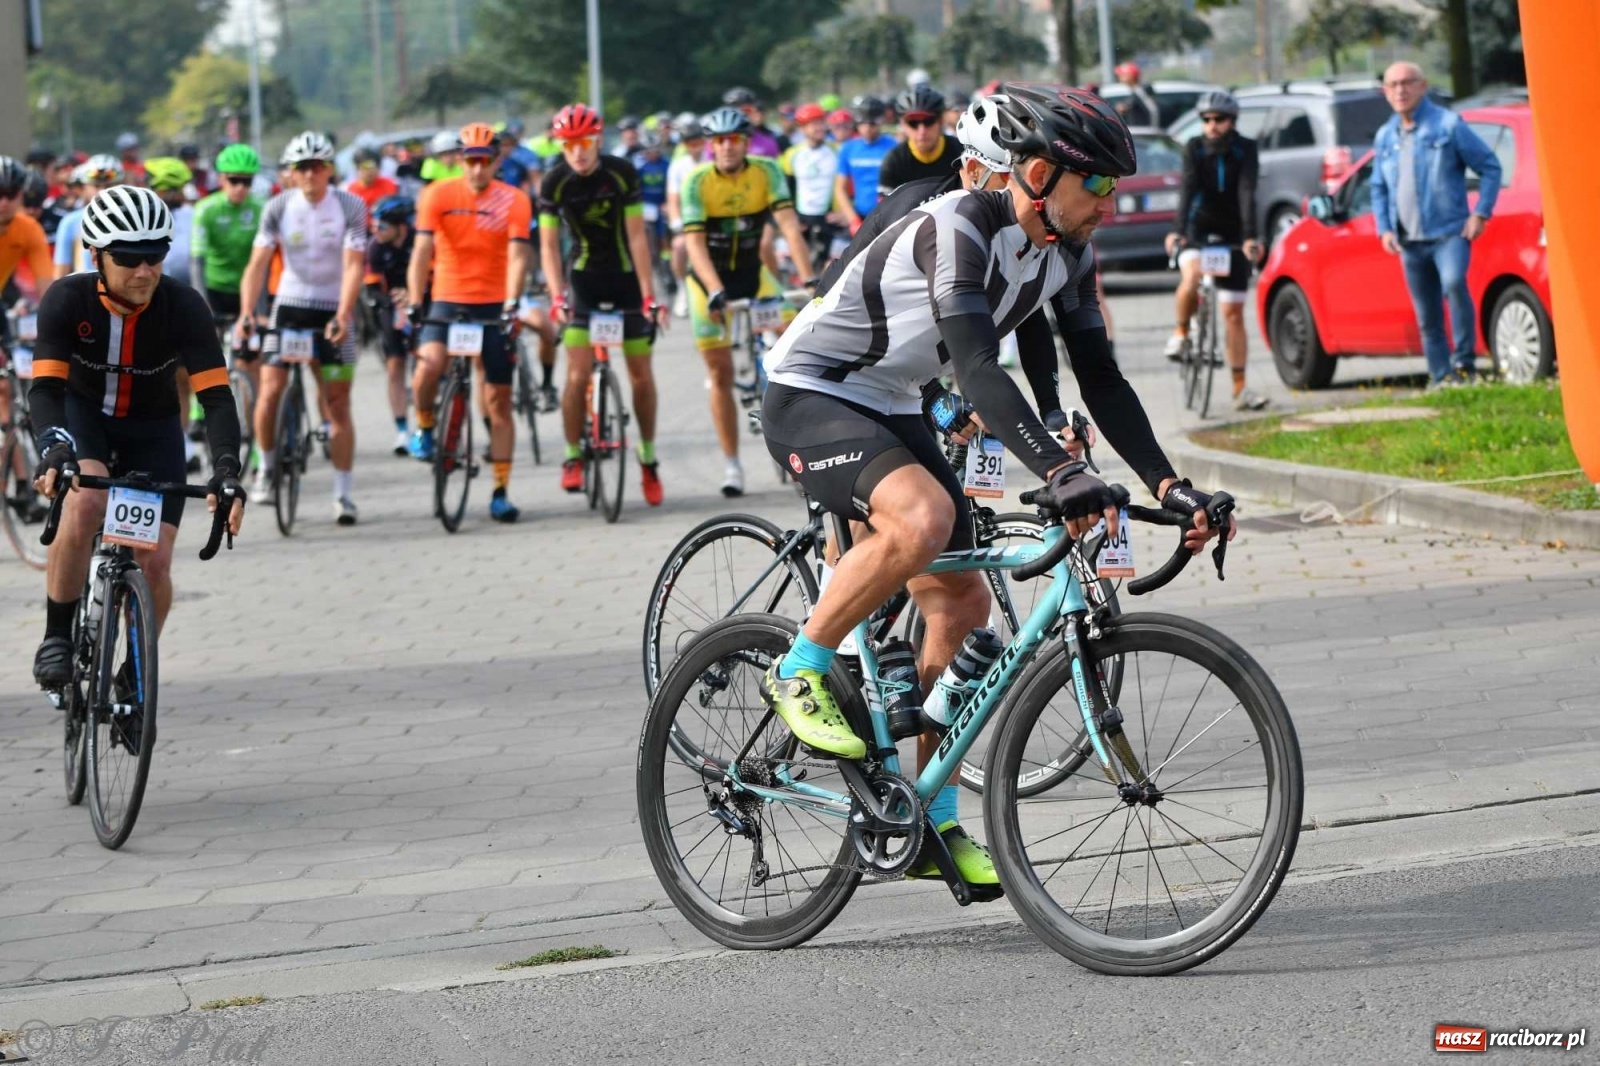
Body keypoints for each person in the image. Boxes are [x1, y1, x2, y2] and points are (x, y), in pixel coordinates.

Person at [758, 85, 1233, 894]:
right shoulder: (960, 227)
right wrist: (1059, 471)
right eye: (1099, 185)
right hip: (813, 389)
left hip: (890, 401)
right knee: (925, 517)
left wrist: (1172, 484)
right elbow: (978, 368)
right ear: (1040, 175)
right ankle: (799, 667)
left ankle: (930, 817)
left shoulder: (1067, 252)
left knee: (963, 604)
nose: (1110, 205)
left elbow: (1102, 378)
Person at [28, 185, 244, 699]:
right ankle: (57, 637)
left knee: (156, 561)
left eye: (155, 256)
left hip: (153, 428)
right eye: (128, 258)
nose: (144, 271)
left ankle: (133, 675)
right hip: (85, 418)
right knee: (86, 503)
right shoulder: (67, 299)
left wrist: (226, 469)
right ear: (96, 255)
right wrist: (55, 447)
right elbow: (46, 390)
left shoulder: (183, 305)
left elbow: (216, 398)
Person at [681, 106, 816, 497]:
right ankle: (732, 464)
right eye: (720, 141)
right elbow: (694, 245)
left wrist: (809, 279)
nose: (727, 147)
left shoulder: (766, 171)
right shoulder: (697, 181)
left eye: (735, 140)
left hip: (753, 275)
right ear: (711, 145)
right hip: (709, 280)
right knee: (720, 372)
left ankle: (797, 439)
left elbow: (788, 226)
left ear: (745, 142)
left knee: (795, 347)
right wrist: (713, 290)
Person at [234, 131, 368, 524]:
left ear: (329, 169)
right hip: (290, 308)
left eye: (317, 167)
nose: (310, 174)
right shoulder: (278, 206)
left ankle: (343, 494)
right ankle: (266, 467)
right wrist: (246, 312)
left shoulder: (350, 205)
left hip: (332, 309)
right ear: (291, 173)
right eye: (302, 168)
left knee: (338, 403)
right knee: (270, 390)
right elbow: (258, 264)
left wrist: (344, 313)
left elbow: (354, 265)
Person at [538, 104, 667, 507]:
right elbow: (547, 245)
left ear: (598, 140)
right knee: (577, 376)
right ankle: (572, 455)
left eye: (585, 143)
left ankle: (647, 457)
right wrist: (556, 295)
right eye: (568, 145)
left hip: (626, 281)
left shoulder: (621, 173)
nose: (577, 152)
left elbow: (637, 238)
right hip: (583, 283)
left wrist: (649, 295)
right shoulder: (554, 181)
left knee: (640, 376)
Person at [406, 123, 533, 523]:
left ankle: (500, 490)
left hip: (493, 304)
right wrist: (414, 300)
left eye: (485, 161)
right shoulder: (437, 194)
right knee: (428, 365)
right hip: (447, 299)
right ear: (460, 161)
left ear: (496, 161)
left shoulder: (514, 199)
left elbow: (518, 256)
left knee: (499, 402)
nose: (477, 169)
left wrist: (511, 303)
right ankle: (426, 427)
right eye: (470, 161)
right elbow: (422, 250)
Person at [1370, 61, 1502, 387]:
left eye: (1407, 82)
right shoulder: (1385, 136)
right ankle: (1440, 376)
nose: (1400, 90)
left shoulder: (1448, 124)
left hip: (1449, 234)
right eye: (1392, 85)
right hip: (1409, 241)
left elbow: (1490, 166)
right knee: (1426, 313)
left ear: (1423, 85)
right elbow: (1378, 187)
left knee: (1454, 285)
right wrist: (1384, 228)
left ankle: (1464, 366)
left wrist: (1481, 213)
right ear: (1385, 92)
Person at [1163, 90, 1268, 412]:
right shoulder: (1194, 147)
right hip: (1198, 230)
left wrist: (1250, 237)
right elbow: (1187, 189)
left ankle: (1240, 388)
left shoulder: (1245, 148)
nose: (1212, 125)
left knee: (1233, 313)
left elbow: (1248, 191)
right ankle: (1181, 332)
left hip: (1234, 234)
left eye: (1219, 119)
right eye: (1206, 119)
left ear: (1232, 121)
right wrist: (1178, 231)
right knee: (1192, 276)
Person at [191, 145, 265, 398]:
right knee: (207, 353)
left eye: (247, 181)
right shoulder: (206, 209)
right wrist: (202, 305)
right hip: (215, 289)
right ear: (222, 179)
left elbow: (264, 263)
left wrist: (260, 310)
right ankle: (199, 409)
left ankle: (251, 413)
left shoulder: (260, 209)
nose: (241, 187)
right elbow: (197, 260)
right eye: (234, 181)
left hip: (248, 292)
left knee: (251, 359)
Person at [365, 195, 417, 454]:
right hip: (390, 306)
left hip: (420, 301)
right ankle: (402, 430)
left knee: (426, 364)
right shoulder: (375, 247)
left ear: (401, 227)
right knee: (395, 367)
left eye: (382, 226)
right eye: (374, 225)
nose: (376, 230)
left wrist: (413, 296)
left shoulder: (419, 241)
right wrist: (394, 301)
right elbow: (372, 289)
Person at [779, 103, 841, 273]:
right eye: (813, 124)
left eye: (821, 122)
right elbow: (786, 188)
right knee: (801, 267)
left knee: (827, 268)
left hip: (828, 217)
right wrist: (792, 217)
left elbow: (846, 186)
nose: (819, 127)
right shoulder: (792, 154)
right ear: (802, 128)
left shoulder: (836, 150)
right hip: (803, 217)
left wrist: (841, 213)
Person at [876, 86, 962, 195]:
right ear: (903, 125)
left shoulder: (961, 153)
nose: (922, 131)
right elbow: (885, 204)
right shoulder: (893, 162)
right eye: (913, 123)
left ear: (941, 121)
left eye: (929, 121)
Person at [833, 98, 897, 234]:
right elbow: (839, 188)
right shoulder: (848, 148)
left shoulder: (894, 146)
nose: (867, 128)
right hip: (859, 216)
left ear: (881, 121)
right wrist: (852, 220)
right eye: (862, 122)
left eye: (872, 123)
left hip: (889, 217)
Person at [54, 156, 123, 279]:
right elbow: (60, 274)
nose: (102, 191)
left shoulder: (131, 219)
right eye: (96, 186)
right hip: (85, 288)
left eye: (109, 185)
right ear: (84, 188)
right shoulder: (70, 222)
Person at [665, 118, 707, 319]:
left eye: (698, 141)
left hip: (712, 218)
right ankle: (682, 286)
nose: (695, 147)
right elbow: (673, 198)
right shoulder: (678, 166)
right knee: (679, 246)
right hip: (689, 220)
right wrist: (676, 221)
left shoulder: (712, 160)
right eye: (691, 143)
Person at [722, 87, 789, 158]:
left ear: (754, 111)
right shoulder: (718, 142)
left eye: (746, 111)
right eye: (733, 112)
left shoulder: (773, 140)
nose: (741, 116)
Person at [345, 149, 400, 228]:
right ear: (357, 168)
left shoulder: (388, 184)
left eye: (374, 166)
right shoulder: (351, 191)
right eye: (365, 166)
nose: (370, 170)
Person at [1111, 62, 1159, 128]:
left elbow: (1153, 111)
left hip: (1144, 132)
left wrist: (1152, 130)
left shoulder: (1141, 91)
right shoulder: (1135, 91)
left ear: (1130, 76)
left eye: (1122, 74)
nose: (1119, 77)